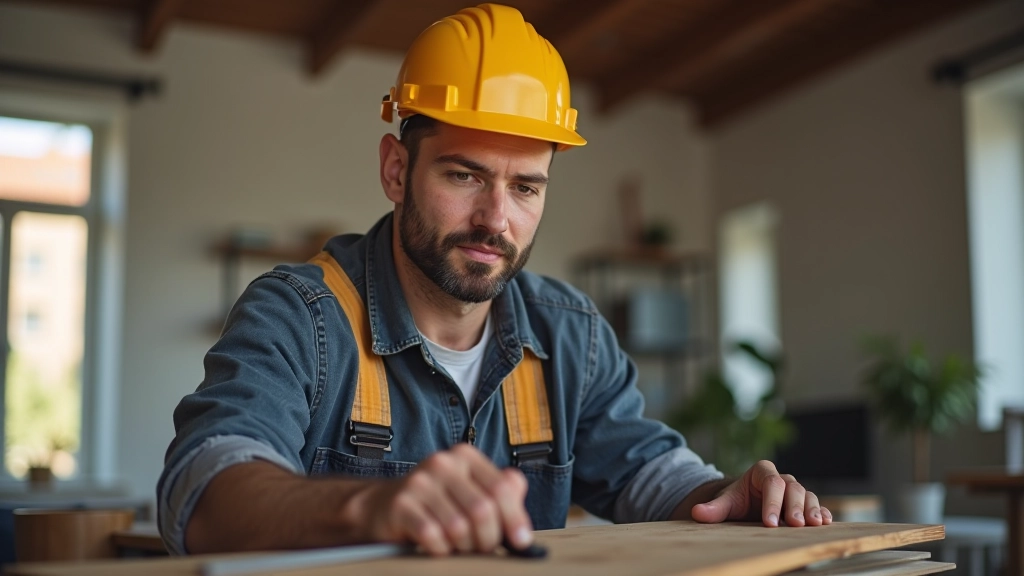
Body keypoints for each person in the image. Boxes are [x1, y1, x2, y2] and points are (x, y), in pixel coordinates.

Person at [157, 3, 831, 557]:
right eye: (464, 175)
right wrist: (369, 507)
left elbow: (648, 472)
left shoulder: (570, 334)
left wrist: (727, 495)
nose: (495, 219)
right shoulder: (299, 315)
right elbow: (206, 491)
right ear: (396, 171)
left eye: (526, 187)